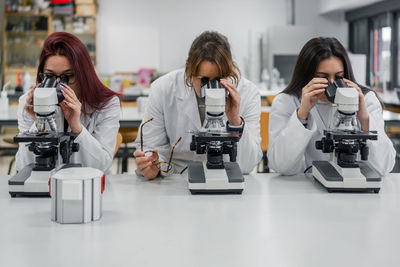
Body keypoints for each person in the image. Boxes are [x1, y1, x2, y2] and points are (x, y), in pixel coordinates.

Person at [134, 31, 262, 179]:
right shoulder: (163, 88)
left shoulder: (248, 92)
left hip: (226, 175)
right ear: (189, 69)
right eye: (204, 80)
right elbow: (151, 148)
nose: (212, 89)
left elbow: (248, 164)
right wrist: (152, 165)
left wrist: (234, 119)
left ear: (231, 69)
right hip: (176, 179)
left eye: (220, 79)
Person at [267, 37, 395, 176]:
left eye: (339, 77)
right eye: (323, 77)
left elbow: (385, 166)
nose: (332, 84)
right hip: (306, 188)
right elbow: (280, 165)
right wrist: (302, 114)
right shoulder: (287, 102)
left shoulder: (366, 100)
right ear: (306, 75)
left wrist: (364, 119)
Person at [16, 32, 121, 174]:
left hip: (88, 187)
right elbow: (23, 167)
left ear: (83, 74)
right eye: (50, 76)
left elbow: (101, 166)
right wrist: (39, 123)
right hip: (46, 185)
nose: (58, 85)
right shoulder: (28, 104)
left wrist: (77, 128)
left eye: (68, 77)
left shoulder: (107, 104)